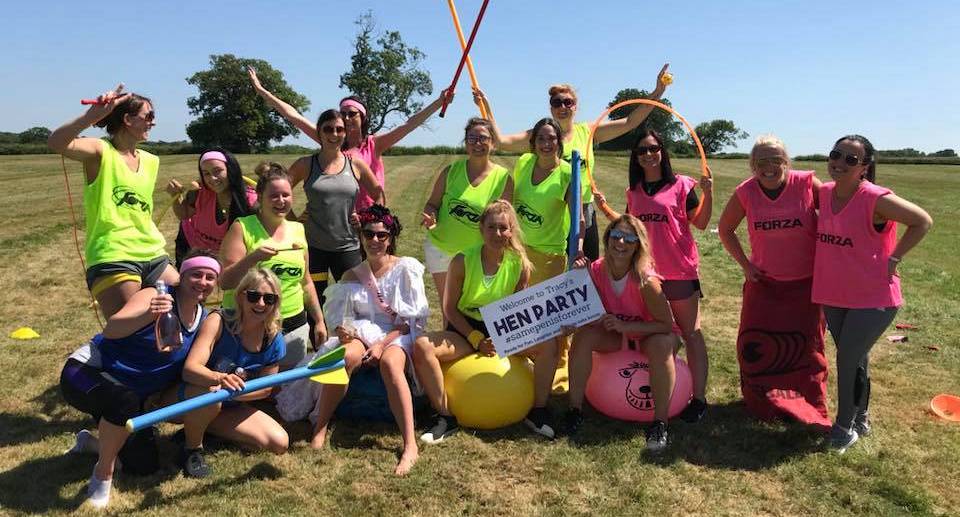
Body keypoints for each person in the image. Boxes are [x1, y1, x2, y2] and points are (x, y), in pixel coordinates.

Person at [59, 250, 219, 509]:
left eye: (210, 277)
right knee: (123, 400)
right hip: (86, 373)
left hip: (130, 396)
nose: (202, 282)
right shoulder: (156, 295)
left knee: (143, 466)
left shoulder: (202, 319)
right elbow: (112, 329)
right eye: (196, 274)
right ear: (182, 274)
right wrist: (148, 315)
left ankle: (91, 442)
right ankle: (103, 473)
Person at [473, 64, 670, 261]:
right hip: (550, 216)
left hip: (582, 210)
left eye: (568, 102)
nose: (562, 107)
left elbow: (630, 122)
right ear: (551, 107)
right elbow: (500, 142)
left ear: (575, 106)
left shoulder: (588, 132)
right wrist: (487, 108)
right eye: (556, 102)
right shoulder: (540, 135)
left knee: (585, 267)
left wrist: (657, 92)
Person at [812, 135, 932, 453]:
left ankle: (843, 429)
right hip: (833, 291)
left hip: (873, 297)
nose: (839, 162)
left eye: (851, 159)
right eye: (836, 154)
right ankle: (861, 418)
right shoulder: (823, 193)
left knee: (848, 357)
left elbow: (922, 221)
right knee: (856, 358)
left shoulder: (875, 198)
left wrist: (895, 257)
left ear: (865, 167)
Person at [413, 200, 563, 441]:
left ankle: (538, 410)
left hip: (501, 331)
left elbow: (518, 309)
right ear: (481, 229)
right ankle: (445, 416)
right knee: (421, 346)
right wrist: (476, 338)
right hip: (463, 329)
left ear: (511, 230)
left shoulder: (520, 264)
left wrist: (547, 325)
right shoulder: (462, 260)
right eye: (491, 227)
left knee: (549, 344)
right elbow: (449, 309)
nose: (497, 233)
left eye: (503, 228)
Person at [305, 205, 429, 476]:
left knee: (391, 364)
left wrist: (382, 345)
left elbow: (408, 322)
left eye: (382, 235)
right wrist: (344, 332)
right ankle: (321, 426)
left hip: (398, 334)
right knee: (344, 357)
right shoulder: (352, 275)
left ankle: (409, 444)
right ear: (360, 237)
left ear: (391, 237)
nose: (375, 240)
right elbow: (344, 319)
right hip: (364, 332)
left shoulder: (405, 268)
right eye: (369, 234)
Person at [717, 135, 830, 429]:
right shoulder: (746, 191)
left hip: (806, 285)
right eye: (761, 161)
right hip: (764, 285)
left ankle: (811, 406)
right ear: (753, 165)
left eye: (775, 160)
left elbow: (837, 217)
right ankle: (761, 402)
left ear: (786, 162)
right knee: (755, 345)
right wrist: (745, 265)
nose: (769, 167)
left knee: (808, 350)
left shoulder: (806, 184)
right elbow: (725, 229)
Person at [47, 84, 177, 318]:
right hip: (114, 255)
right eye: (149, 116)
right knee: (133, 326)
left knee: (184, 299)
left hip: (152, 252)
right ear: (127, 119)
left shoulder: (151, 161)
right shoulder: (101, 150)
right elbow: (56, 142)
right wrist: (91, 117)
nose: (153, 123)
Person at [248, 65, 453, 210]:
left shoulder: (375, 144)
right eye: (343, 113)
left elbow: (410, 124)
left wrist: (438, 102)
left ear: (362, 118)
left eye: (352, 113)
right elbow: (294, 116)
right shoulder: (330, 140)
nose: (346, 118)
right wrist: (262, 92)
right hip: (336, 217)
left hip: (369, 217)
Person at [563, 215, 680, 452]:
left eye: (629, 238)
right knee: (583, 337)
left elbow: (666, 325)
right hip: (618, 334)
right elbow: (589, 310)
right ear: (608, 238)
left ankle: (660, 423)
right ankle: (574, 409)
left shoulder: (646, 281)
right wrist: (579, 277)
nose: (621, 243)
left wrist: (627, 327)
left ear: (638, 244)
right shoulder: (597, 269)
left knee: (661, 347)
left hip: (651, 334)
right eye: (617, 236)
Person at [625, 129, 713, 423]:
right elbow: (630, 230)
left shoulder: (682, 186)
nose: (648, 155)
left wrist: (709, 192)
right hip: (646, 275)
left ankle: (699, 399)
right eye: (642, 151)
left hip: (679, 271)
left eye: (653, 149)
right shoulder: (633, 192)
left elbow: (700, 223)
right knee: (657, 333)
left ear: (662, 151)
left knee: (691, 334)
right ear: (635, 157)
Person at [179, 267, 289, 478]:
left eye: (269, 299)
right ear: (241, 295)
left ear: (276, 303)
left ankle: (202, 430)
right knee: (210, 399)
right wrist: (220, 379)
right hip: (197, 396)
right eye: (254, 296)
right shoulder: (219, 321)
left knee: (279, 443)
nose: (260, 304)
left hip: (231, 404)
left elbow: (266, 389)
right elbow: (190, 370)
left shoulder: (274, 338)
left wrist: (233, 391)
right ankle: (192, 448)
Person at [220, 164, 326, 370]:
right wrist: (253, 258)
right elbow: (226, 282)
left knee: (287, 390)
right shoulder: (243, 227)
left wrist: (319, 320)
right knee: (248, 388)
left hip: (293, 322)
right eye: (274, 196)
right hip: (249, 322)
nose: (281, 201)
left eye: (286, 195)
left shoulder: (297, 229)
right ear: (259, 196)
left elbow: (305, 282)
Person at [511, 118, 584, 393]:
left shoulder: (568, 173)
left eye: (551, 138)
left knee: (549, 317)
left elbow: (579, 218)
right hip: (518, 250)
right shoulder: (523, 163)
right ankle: (524, 360)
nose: (546, 143)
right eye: (541, 138)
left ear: (559, 142)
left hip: (550, 254)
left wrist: (577, 249)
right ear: (534, 143)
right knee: (518, 309)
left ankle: (559, 368)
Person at [286, 109, 384, 305]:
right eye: (328, 129)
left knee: (354, 303)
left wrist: (368, 220)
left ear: (345, 133)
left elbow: (378, 194)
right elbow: (279, 191)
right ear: (320, 132)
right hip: (313, 249)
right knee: (315, 305)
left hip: (348, 249)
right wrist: (293, 222)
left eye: (339, 129)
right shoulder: (306, 164)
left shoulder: (355, 163)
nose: (334, 134)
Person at [421, 117, 513, 304]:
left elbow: (505, 222)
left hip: (476, 256)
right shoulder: (451, 171)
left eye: (483, 138)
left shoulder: (503, 178)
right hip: (441, 250)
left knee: (472, 309)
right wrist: (432, 217)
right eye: (471, 139)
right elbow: (432, 204)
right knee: (448, 307)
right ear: (465, 143)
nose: (477, 143)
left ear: (493, 143)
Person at [167, 148, 257, 266]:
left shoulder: (251, 200)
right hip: (192, 247)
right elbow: (183, 214)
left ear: (230, 170)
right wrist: (175, 195)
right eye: (206, 173)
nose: (212, 178)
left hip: (227, 254)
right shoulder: (199, 192)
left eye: (217, 171)